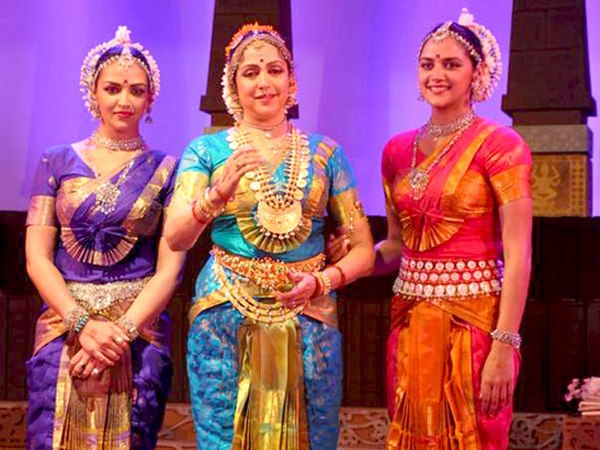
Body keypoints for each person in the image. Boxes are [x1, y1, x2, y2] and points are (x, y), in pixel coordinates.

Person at [164, 23, 375, 449]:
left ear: (291, 81)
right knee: (223, 438)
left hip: (310, 315)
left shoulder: (326, 153)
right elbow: (175, 237)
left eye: (275, 70)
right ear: (232, 85)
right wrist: (216, 195)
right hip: (223, 313)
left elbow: (364, 252)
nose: (264, 82)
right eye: (250, 72)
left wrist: (320, 282)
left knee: (312, 436)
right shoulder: (205, 152)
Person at [375, 9, 532, 449]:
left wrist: (504, 343)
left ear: (476, 73)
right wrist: (341, 265)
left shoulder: (502, 146)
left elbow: (519, 255)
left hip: (477, 326)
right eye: (428, 64)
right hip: (408, 326)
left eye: (451, 64)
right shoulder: (396, 150)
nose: (436, 74)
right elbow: (396, 246)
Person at [25, 26, 184, 449]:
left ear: (150, 99)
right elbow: (37, 257)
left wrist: (119, 333)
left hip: (138, 334)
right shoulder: (55, 161)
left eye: (136, 90)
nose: (123, 100)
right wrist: (81, 324)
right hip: (63, 327)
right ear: (92, 93)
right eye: (112, 88)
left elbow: (170, 270)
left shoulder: (167, 170)